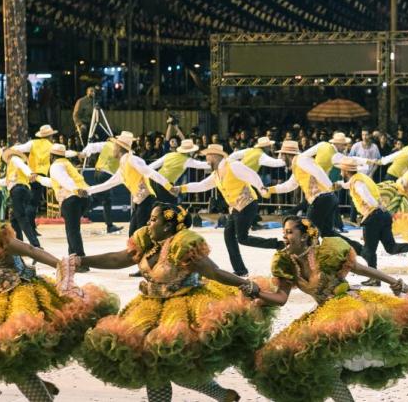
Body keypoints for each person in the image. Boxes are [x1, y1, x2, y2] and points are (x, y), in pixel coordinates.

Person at [73, 203, 274, 402]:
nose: (148, 223)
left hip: (183, 307)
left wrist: (245, 285)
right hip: (148, 307)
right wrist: (82, 260)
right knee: (152, 363)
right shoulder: (147, 242)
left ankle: (221, 394)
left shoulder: (183, 245)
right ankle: (223, 395)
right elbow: (117, 260)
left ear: (167, 226)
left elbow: (214, 272)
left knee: (176, 364)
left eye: (153, 219)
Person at [240, 216, 408, 402]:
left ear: (304, 236)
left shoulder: (329, 250)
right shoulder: (285, 262)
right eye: (284, 232)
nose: (284, 236)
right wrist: (256, 293)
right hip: (323, 313)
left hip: (347, 304)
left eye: (289, 232)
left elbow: (362, 269)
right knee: (321, 366)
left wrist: (394, 282)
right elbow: (281, 298)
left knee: (381, 343)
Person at [0, 209, 117, 401]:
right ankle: (37, 385)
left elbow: (31, 250)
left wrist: (61, 266)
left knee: (10, 352)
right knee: (0, 353)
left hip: (24, 294)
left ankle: (37, 390)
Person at [180, 144, 282, 277]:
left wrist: (261, 188)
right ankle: (240, 270)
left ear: (215, 156)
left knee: (242, 238)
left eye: (207, 156)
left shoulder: (232, 165)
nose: (206, 160)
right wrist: (181, 188)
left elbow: (252, 175)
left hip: (248, 203)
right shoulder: (216, 173)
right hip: (236, 207)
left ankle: (278, 244)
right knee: (229, 235)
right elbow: (202, 185)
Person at [334, 157, 408, 285]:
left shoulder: (357, 183)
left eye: (341, 171)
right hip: (384, 215)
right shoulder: (360, 177)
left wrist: (373, 208)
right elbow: (347, 184)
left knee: (369, 251)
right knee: (391, 248)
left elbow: (367, 197)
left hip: (373, 217)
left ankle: (375, 278)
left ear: (345, 171)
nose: (340, 173)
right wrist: (338, 184)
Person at [263, 140, 363, 253]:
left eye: (281, 154)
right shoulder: (298, 164)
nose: (280, 157)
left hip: (321, 199)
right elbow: (290, 185)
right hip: (326, 198)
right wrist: (271, 190)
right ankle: (360, 250)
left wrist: (330, 186)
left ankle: (314, 260)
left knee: (309, 232)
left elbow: (318, 172)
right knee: (327, 233)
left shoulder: (301, 160)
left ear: (286, 154)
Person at [87, 133, 180, 239]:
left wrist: (168, 186)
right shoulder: (122, 165)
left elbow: (150, 172)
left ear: (120, 148)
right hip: (140, 203)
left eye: (115, 146)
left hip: (147, 201)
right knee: (133, 236)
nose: (113, 148)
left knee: (141, 237)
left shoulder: (132, 159)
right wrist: (88, 190)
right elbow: (107, 184)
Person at [37, 144, 91, 268]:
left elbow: (66, 181)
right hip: (83, 198)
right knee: (72, 230)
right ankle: (72, 259)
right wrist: (38, 178)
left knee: (72, 231)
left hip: (72, 198)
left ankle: (81, 263)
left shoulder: (55, 166)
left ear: (51, 156)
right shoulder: (66, 164)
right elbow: (54, 182)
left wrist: (75, 190)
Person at [78, 132, 131, 234]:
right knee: (101, 199)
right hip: (106, 174)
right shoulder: (123, 151)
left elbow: (92, 146)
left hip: (97, 172)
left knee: (104, 199)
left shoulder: (107, 144)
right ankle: (79, 212)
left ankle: (109, 225)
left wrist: (84, 153)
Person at [13, 124, 59, 234]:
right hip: (40, 176)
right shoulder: (52, 146)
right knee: (33, 203)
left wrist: (11, 149)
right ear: (50, 136)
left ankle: (31, 227)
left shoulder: (32, 143)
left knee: (31, 202)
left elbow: (18, 149)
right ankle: (30, 229)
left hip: (30, 174)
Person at [147, 138, 211, 204]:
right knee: (172, 205)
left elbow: (151, 166)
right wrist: (215, 162)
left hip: (155, 181)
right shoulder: (186, 160)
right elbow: (202, 165)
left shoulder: (169, 155)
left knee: (160, 204)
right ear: (190, 151)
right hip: (166, 184)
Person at [0, 148, 41, 247]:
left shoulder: (14, 159)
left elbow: (23, 166)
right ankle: (19, 245)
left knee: (21, 217)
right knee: (14, 219)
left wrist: (30, 174)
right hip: (21, 191)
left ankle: (35, 245)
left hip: (18, 190)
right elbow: (6, 181)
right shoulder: (12, 168)